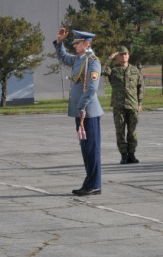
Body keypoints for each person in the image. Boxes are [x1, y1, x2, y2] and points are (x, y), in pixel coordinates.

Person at [54, 28, 104, 196]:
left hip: (87, 111)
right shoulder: (79, 59)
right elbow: (62, 57)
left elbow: (91, 89)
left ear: (86, 44)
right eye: (74, 43)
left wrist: (81, 107)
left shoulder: (92, 61)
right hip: (80, 111)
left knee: (91, 148)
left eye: (77, 43)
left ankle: (94, 184)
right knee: (86, 149)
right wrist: (59, 42)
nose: (74, 45)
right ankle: (90, 182)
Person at [102, 46, 143, 164]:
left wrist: (140, 103)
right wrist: (109, 58)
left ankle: (132, 154)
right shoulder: (113, 70)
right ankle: (124, 155)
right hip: (119, 106)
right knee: (120, 132)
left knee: (132, 131)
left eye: (125, 54)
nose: (123, 56)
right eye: (121, 54)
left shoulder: (135, 70)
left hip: (133, 105)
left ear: (128, 56)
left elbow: (141, 87)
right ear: (117, 57)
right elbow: (100, 70)